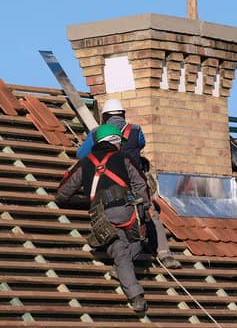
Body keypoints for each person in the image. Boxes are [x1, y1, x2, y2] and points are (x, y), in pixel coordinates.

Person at [57, 124, 153, 313]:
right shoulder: (123, 157)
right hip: (127, 209)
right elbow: (140, 183)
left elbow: (62, 193)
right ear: (116, 142)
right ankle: (129, 283)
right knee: (138, 240)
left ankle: (135, 296)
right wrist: (144, 207)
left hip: (102, 214)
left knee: (119, 251)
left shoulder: (85, 162)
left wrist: (85, 202)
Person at [77, 99, 181, 269]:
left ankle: (119, 252)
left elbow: (81, 154)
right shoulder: (136, 130)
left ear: (104, 117)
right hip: (136, 184)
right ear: (123, 114)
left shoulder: (97, 133)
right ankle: (165, 254)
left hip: (112, 187)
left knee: (112, 216)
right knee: (150, 213)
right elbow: (141, 144)